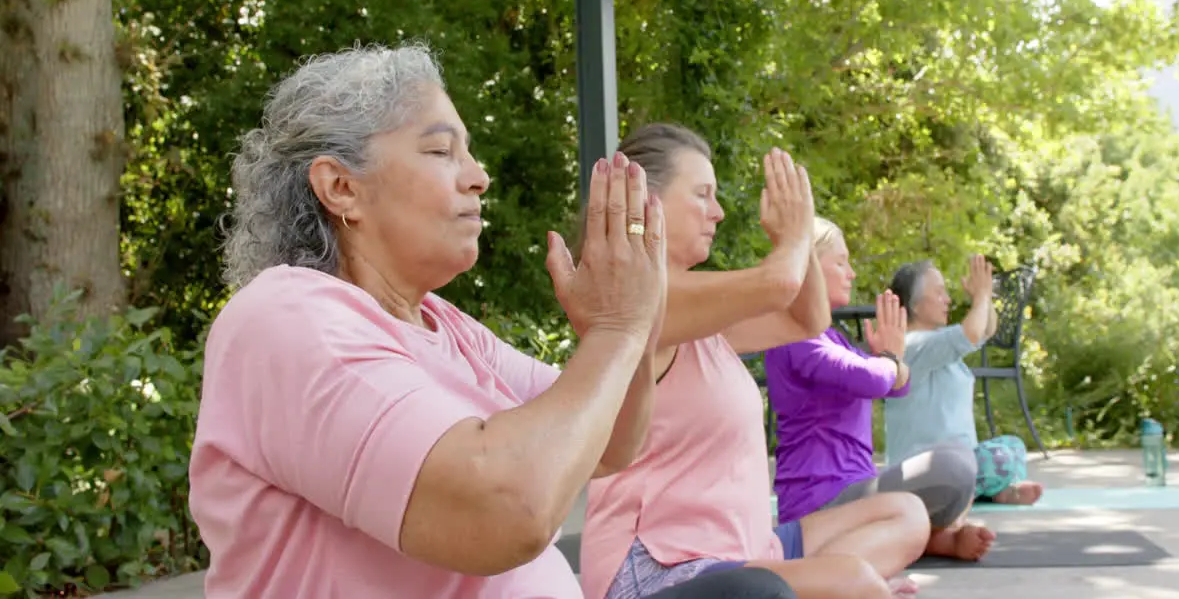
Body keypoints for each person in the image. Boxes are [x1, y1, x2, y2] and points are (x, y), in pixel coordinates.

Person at [188, 45, 801, 599]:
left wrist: (633, 323)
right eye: (440, 151)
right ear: (341, 186)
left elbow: (612, 443)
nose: (478, 175)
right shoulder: (286, 317)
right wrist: (617, 330)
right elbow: (507, 513)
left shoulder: (445, 325)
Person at [580, 123, 930, 599]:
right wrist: (793, 237)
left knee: (905, 514)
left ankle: (820, 588)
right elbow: (778, 284)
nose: (718, 213)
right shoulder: (638, 295)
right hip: (661, 565)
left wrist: (798, 240)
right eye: (702, 194)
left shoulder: (704, 311)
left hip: (746, 550)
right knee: (855, 581)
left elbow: (807, 318)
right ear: (648, 201)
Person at [763, 217, 996, 561]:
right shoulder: (795, 336)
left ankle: (929, 538)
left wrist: (890, 363)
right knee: (954, 465)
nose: (851, 273)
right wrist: (890, 360)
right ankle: (929, 538)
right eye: (840, 262)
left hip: (857, 491)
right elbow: (877, 378)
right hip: (818, 505)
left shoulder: (832, 337)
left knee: (958, 463)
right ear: (808, 266)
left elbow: (897, 385)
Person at [883, 256, 1045, 506]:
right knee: (999, 457)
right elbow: (969, 334)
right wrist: (980, 298)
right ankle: (980, 491)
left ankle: (992, 490)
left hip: (958, 461)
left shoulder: (938, 343)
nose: (947, 299)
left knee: (1013, 445)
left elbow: (986, 330)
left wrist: (985, 296)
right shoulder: (912, 345)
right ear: (915, 306)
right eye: (938, 293)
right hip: (925, 468)